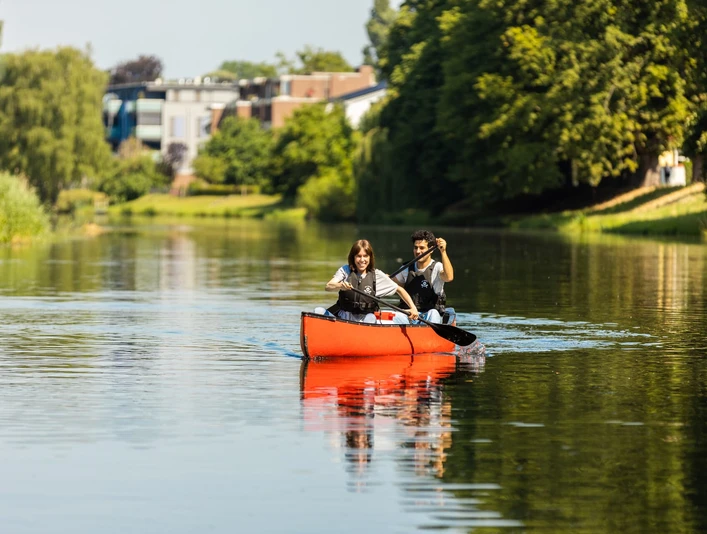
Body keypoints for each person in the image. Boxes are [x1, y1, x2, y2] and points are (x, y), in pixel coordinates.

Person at [314, 239, 420, 324]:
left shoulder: (376, 275)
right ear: (353, 257)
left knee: (370, 317)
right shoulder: (345, 270)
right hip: (343, 318)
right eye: (358, 256)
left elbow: (399, 289)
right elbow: (328, 286)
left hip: (366, 320)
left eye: (365, 256)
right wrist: (341, 285)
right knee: (318, 311)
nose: (362, 260)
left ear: (370, 258)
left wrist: (413, 308)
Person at [393, 230, 454, 324]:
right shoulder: (405, 269)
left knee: (433, 313)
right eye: (415, 248)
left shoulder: (437, 267)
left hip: (429, 316)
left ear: (431, 250)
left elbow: (449, 277)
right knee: (394, 315)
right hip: (409, 315)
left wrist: (443, 251)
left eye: (422, 248)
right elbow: (392, 285)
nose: (418, 251)